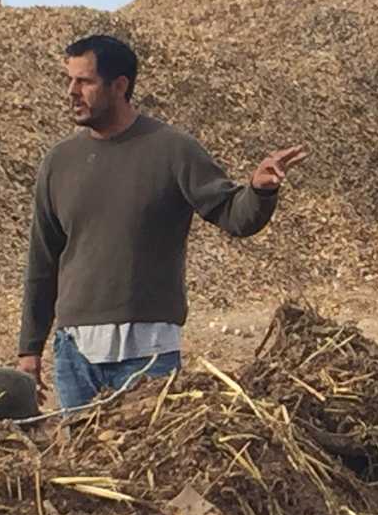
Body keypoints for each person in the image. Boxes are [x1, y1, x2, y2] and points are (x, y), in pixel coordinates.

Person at [17, 35, 306, 409]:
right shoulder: (59, 162)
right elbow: (43, 260)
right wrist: (30, 350)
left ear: (120, 86)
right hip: (75, 357)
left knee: (143, 467)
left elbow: (234, 215)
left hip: (148, 355)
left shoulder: (172, 149)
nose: (71, 92)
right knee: (80, 464)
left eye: (84, 81)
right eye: (69, 80)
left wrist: (259, 190)